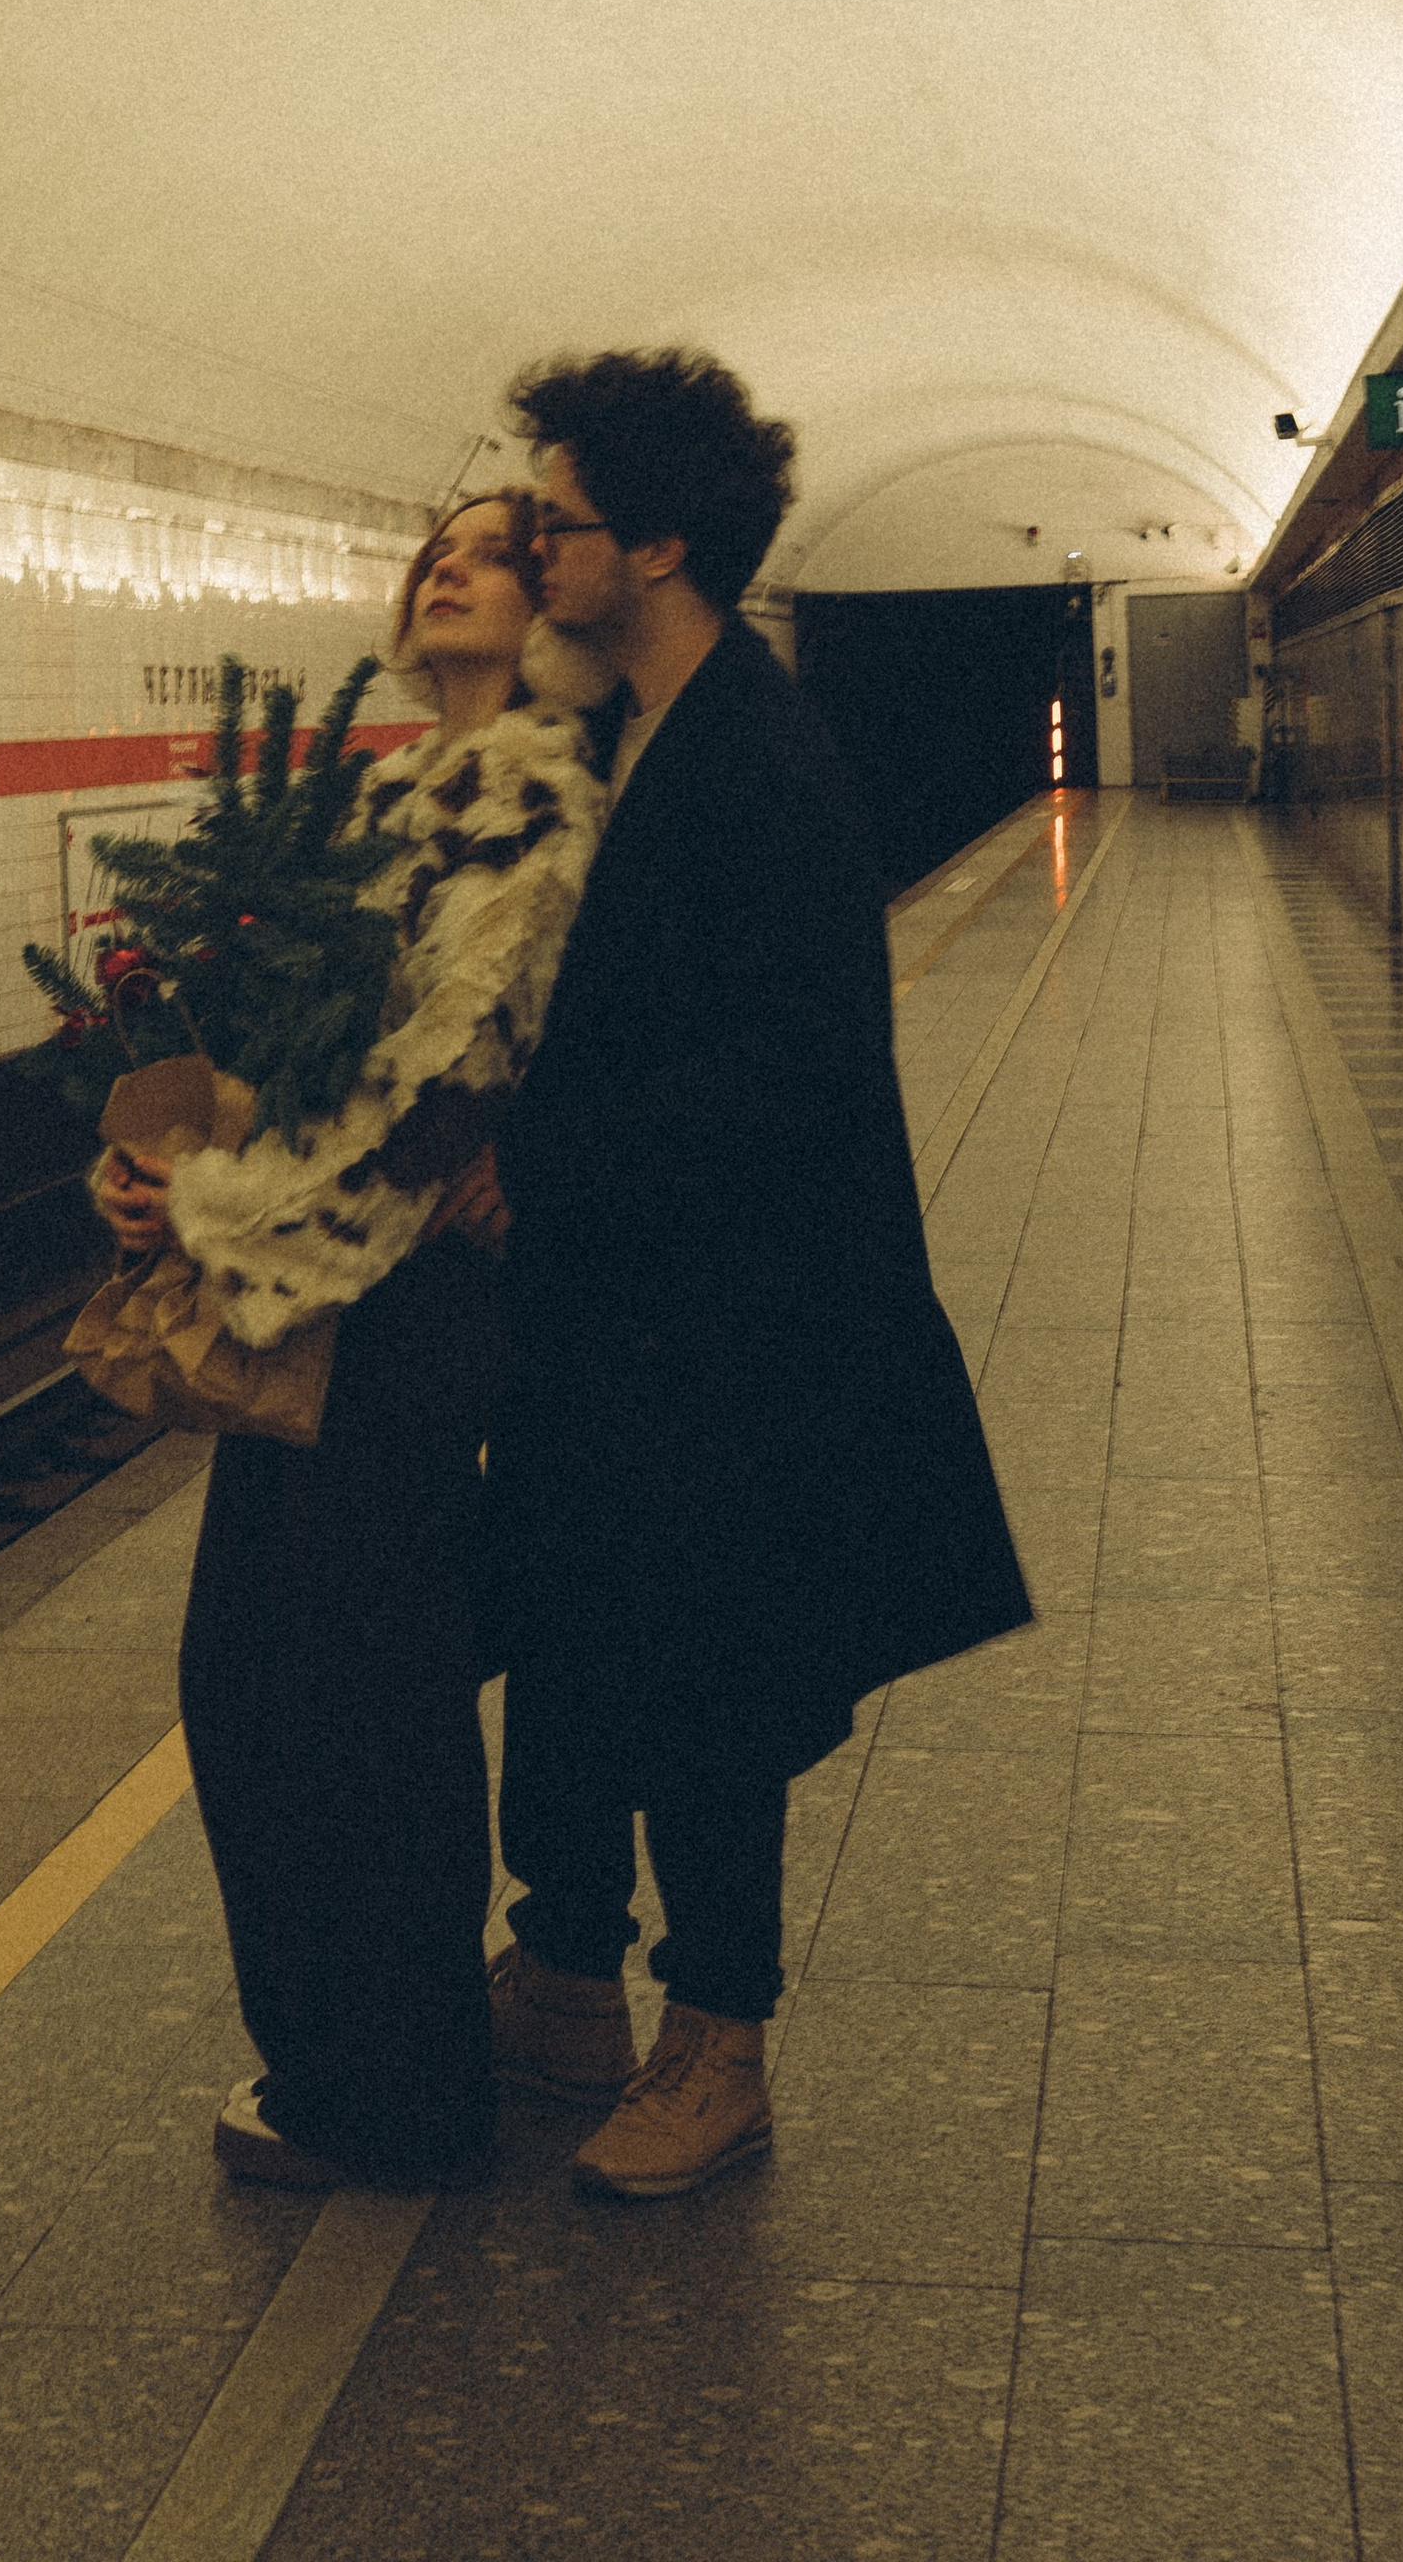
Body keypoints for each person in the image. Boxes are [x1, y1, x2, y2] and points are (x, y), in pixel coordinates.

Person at [482, 349, 1034, 2199]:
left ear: (658, 540)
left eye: (556, 522)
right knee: (602, 1649)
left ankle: (722, 2045)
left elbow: (785, 1078)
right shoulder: (633, 729)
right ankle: (573, 1983)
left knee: (713, 1687)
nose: (531, 547)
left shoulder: (763, 764)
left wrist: (531, 1165)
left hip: (734, 1328)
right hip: (627, 1313)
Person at [92, 494, 603, 2193]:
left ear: (553, 599)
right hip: (315, 1300)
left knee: (352, 1704)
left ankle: (398, 2090)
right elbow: (283, 1055)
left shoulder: (531, 803)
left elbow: (435, 1098)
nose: (441, 564)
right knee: (262, 1687)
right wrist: (160, 1162)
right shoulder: (388, 802)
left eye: (490, 549)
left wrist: (208, 1213)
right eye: (431, 548)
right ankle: (343, 2060)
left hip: (404, 1318)